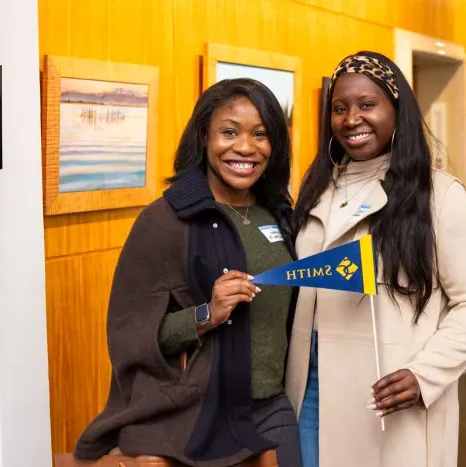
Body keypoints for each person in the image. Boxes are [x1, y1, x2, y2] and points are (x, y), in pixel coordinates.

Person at [73, 78, 302, 466]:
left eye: (260, 135)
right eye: (229, 132)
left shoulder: (280, 214)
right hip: (197, 412)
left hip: (271, 407)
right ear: (203, 136)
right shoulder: (164, 221)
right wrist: (206, 314)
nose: (245, 147)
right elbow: (134, 338)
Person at [287, 51, 466, 467]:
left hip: (389, 395)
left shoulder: (439, 196)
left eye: (368, 105)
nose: (352, 119)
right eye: (340, 108)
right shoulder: (316, 189)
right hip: (310, 391)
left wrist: (426, 373)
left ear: (397, 110)